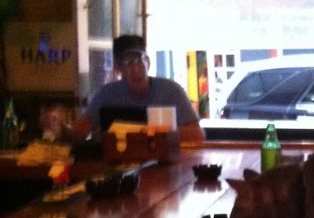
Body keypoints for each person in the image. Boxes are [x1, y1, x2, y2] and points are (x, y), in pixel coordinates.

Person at [42, 35, 204, 144]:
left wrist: (157, 132)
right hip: (115, 168)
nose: (136, 69)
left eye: (140, 61)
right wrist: (59, 124)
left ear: (148, 63)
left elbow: (197, 135)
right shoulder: (107, 94)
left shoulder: (171, 91)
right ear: (118, 68)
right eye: (128, 63)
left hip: (163, 167)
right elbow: (78, 134)